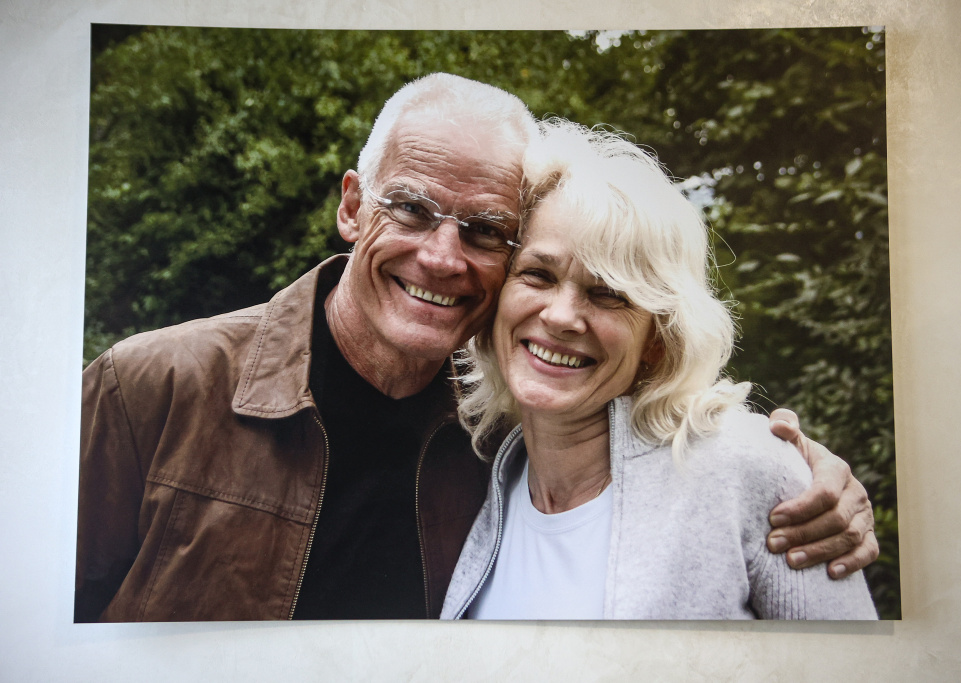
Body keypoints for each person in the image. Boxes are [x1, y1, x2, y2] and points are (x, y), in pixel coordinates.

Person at [76, 74, 877, 622]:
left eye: (486, 230)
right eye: (412, 209)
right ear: (352, 206)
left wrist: (812, 476)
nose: (441, 257)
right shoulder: (152, 385)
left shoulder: (493, 434)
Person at [441, 120, 877, 619]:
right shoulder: (478, 469)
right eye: (538, 275)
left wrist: (787, 470)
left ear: (657, 339)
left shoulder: (744, 469)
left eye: (608, 294)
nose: (561, 317)